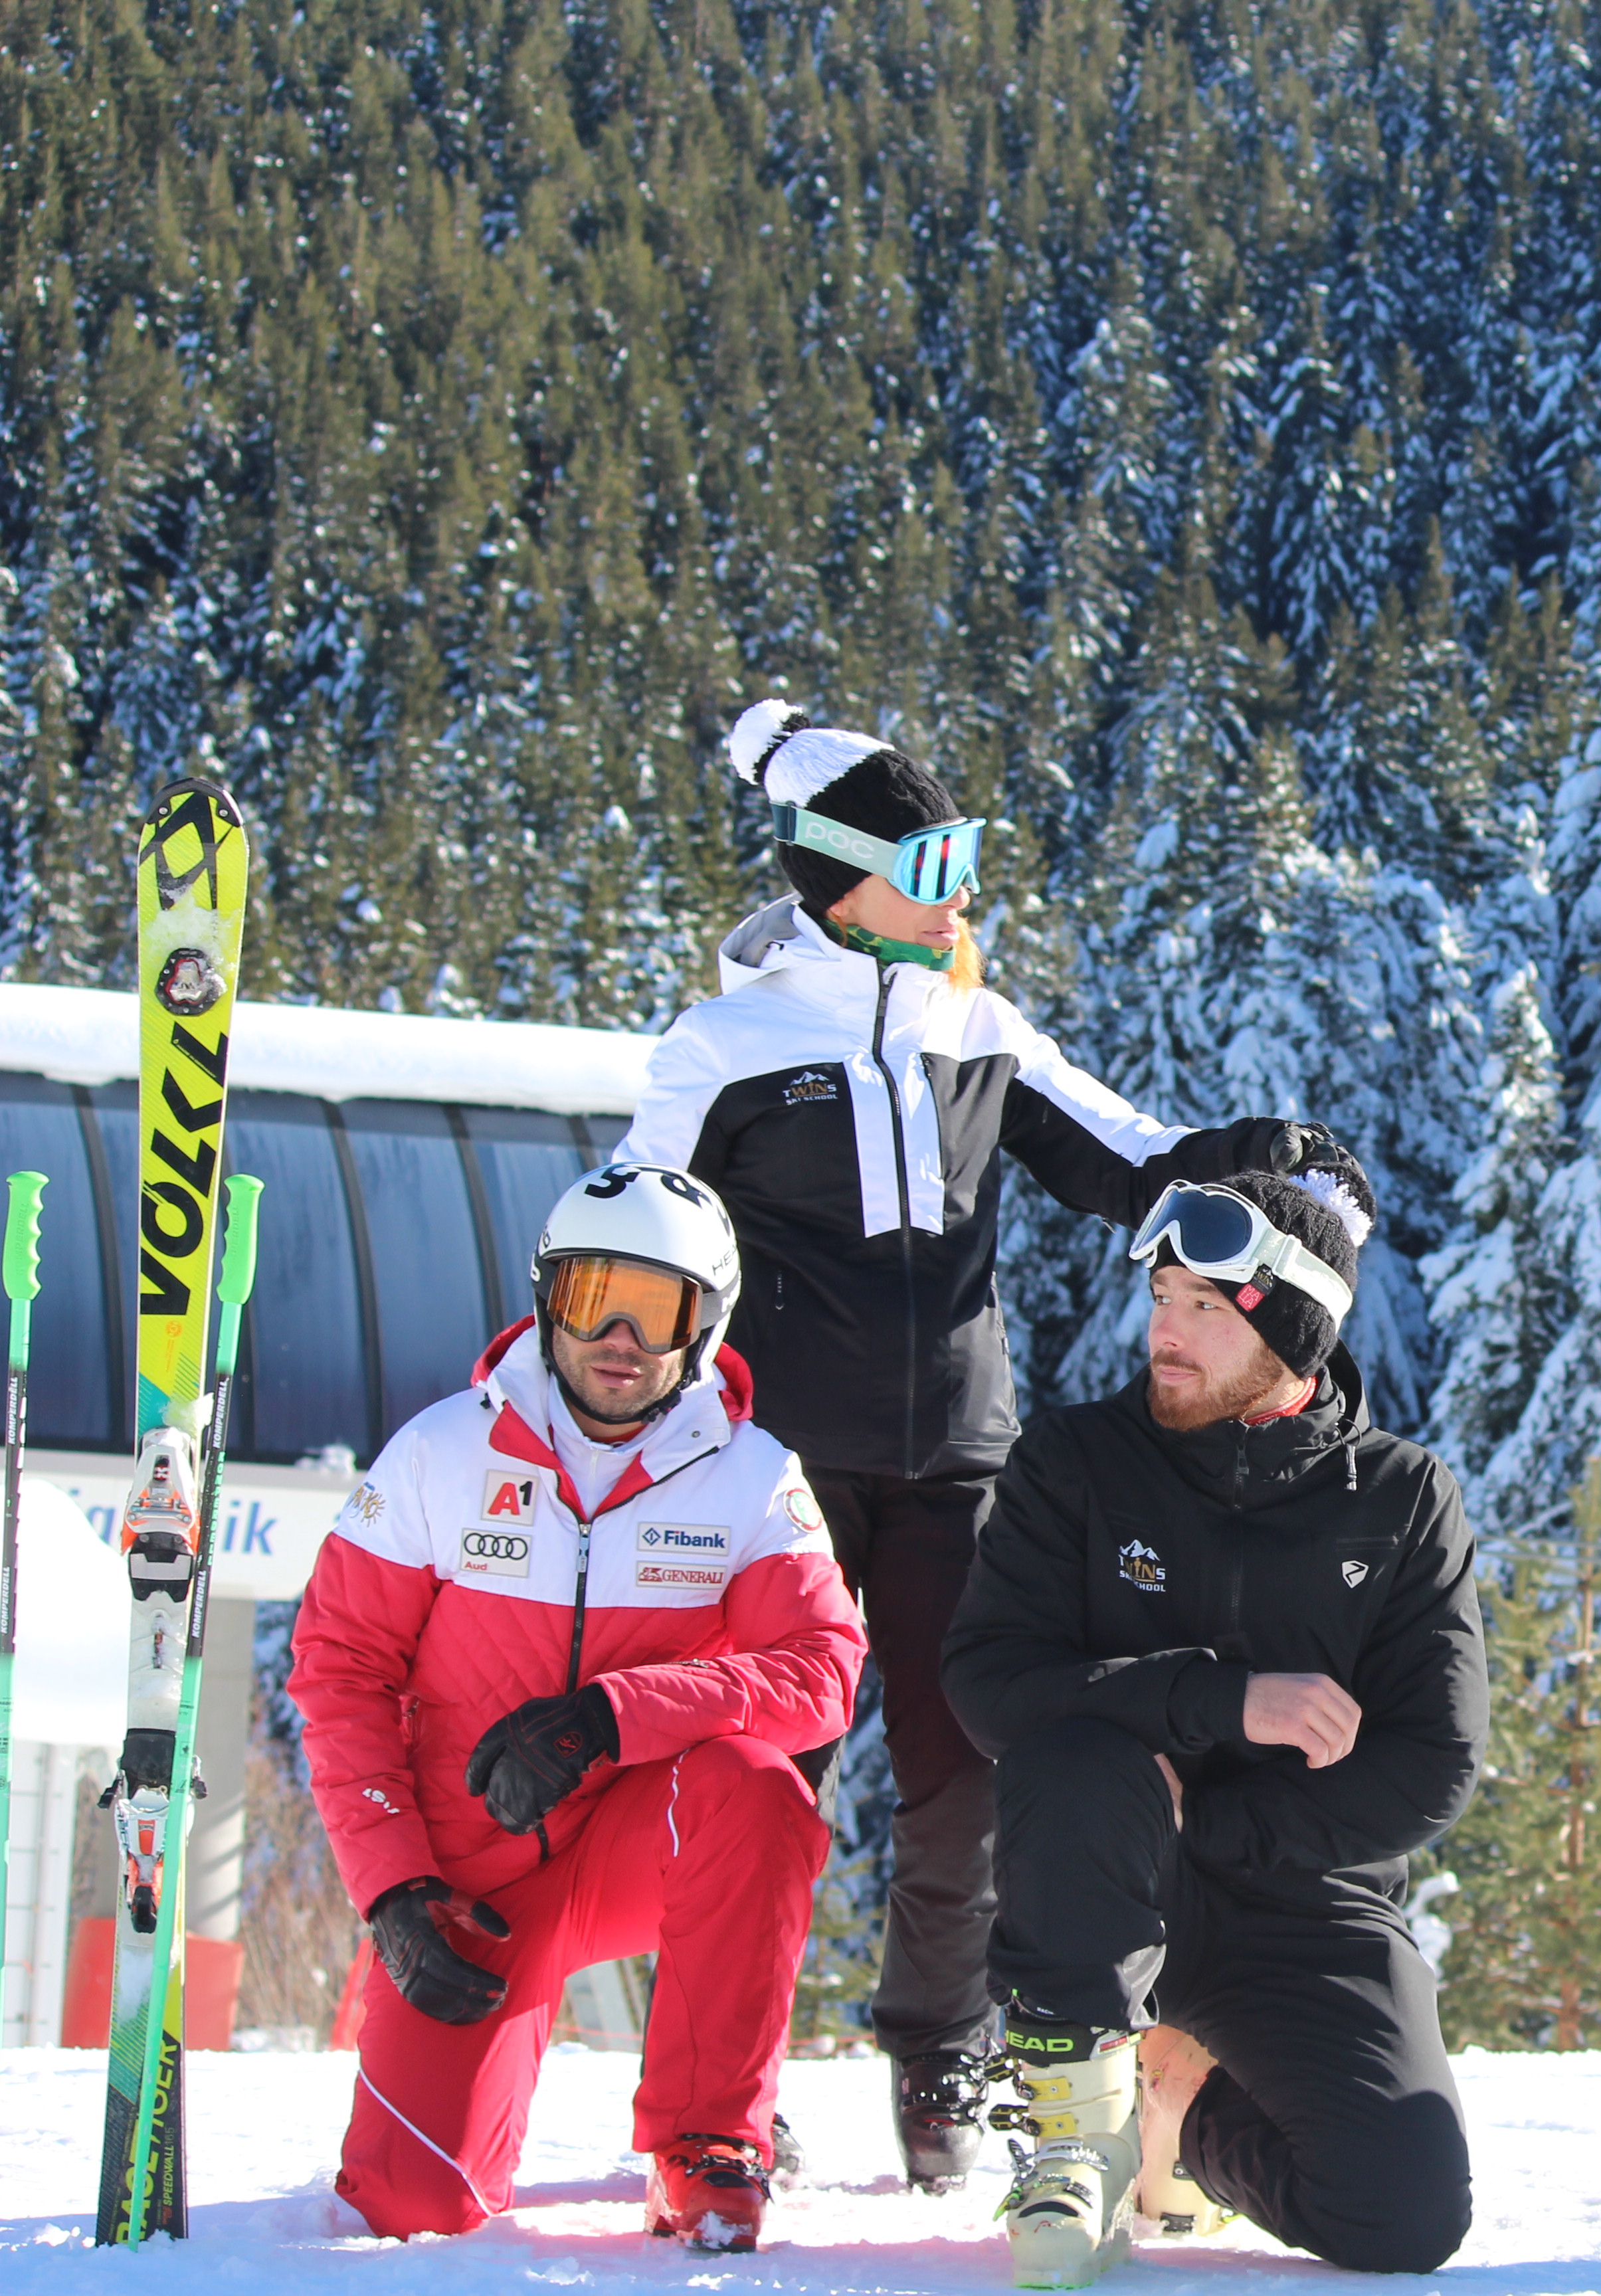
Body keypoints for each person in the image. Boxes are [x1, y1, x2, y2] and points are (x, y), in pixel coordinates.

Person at [618, 699, 1329, 2187]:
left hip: (957, 1466)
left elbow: (1131, 1164)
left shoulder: (976, 1032)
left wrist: (1265, 1155)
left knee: (972, 1773)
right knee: (763, 1784)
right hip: (775, 1481)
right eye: (932, 857)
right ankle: (721, 2090)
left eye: (966, 852)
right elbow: (644, 1251)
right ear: (840, 875)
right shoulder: (725, 1046)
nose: (960, 886)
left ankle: (936, 2057)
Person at [288, 1163, 865, 2251]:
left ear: (706, 1324)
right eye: (592, 1292)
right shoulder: (442, 1453)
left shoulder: (750, 1479)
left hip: (632, 1843)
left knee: (755, 1787)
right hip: (467, 1887)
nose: (619, 1335)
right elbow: (340, 1668)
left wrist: (613, 1716)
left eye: (658, 1309)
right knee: (411, 2211)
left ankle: (707, 2143)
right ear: (547, 1295)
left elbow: (822, 1670)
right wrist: (394, 1889)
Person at [941, 1163, 1482, 2287]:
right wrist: (1217, 1700)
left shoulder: (1401, 1499)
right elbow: (992, 1681)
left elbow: (1430, 1767)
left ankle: (1176, 2120)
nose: (1165, 1333)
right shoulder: (1077, 1462)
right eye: (1161, 1298)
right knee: (1080, 1757)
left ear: (1293, 1329)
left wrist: (1221, 1827)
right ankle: (1073, 2146)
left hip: (1304, 1898)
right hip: (1103, 1883)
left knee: (1404, 2216)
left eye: (1203, 1307)